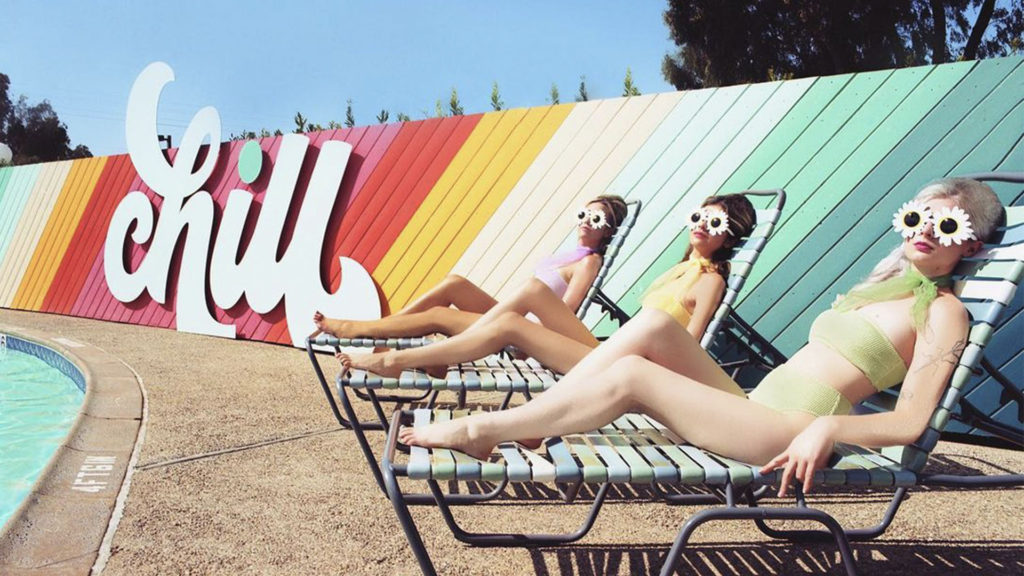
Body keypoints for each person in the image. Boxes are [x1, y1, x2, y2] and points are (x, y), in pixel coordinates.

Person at [399, 178, 1004, 497]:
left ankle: (484, 433)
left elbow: (910, 424)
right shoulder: (882, 289)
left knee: (636, 377)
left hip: (784, 430)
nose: (926, 230)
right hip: (753, 407)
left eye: (946, 224)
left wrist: (829, 427)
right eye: (916, 217)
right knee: (656, 325)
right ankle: (534, 422)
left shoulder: (946, 313)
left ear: (970, 246)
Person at [336, 193, 757, 377]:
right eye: (698, 216)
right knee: (450, 301)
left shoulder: (709, 283)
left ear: (731, 234)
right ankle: (381, 338)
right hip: (612, 348)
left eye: (714, 221)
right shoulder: (680, 269)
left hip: (626, 361)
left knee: (525, 296)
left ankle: (376, 339)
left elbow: (691, 351)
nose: (701, 225)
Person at [311, 195, 629, 342]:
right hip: (512, 314)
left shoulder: (589, 261)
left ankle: (369, 332)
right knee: (454, 283)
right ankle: (385, 335)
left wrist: (529, 337)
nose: (587, 221)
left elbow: (566, 312)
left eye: (596, 219)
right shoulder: (569, 253)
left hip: (523, 330)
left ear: (607, 232)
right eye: (583, 214)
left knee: (440, 317)